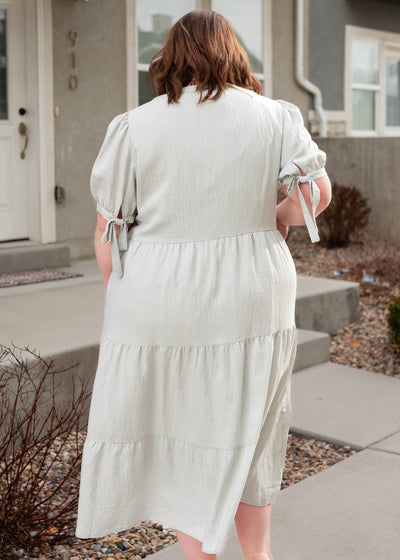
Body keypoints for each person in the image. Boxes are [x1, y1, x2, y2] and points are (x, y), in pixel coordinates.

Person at [75, 9, 332, 560]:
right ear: (233, 53)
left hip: (160, 298)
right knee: (252, 431)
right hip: (254, 295)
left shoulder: (136, 124)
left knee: (187, 434)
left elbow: (107, 228)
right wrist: (277, 215)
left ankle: (199, 557)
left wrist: (123, 296)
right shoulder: (275, 117)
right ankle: (257, 554)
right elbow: (315, 196)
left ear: (170, 55)